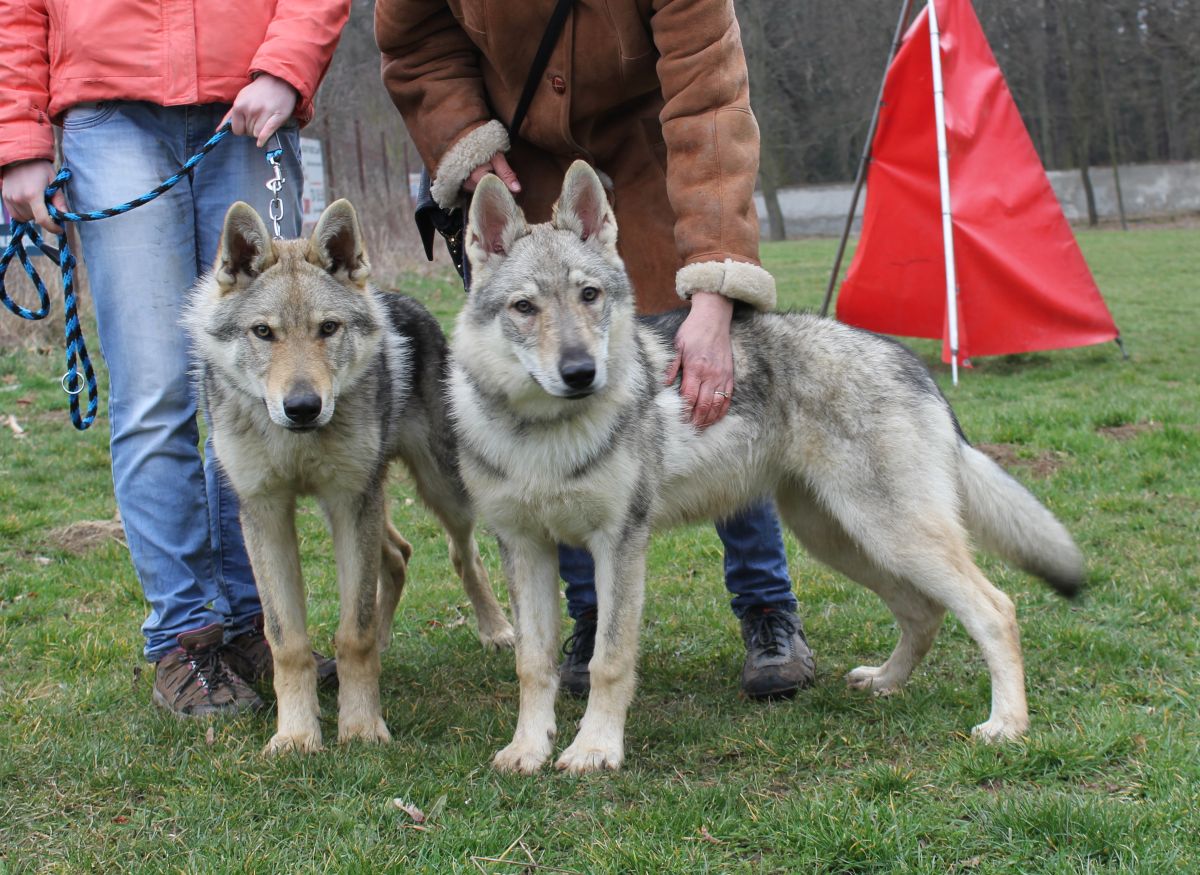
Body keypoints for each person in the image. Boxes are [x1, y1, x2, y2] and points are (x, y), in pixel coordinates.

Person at [377, 0, 815, 698]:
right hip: (517, 169)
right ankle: (587, 615)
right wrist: (462, 133)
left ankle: (767, 608)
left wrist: (713, 287)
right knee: (547, 417)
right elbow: (412, 41)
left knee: (709, 386)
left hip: (659, 168)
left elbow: (710, 100)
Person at [0, 0, 351, 717]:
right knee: (155, 389)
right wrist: (18, 137)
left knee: (257, 387)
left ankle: (257, 621)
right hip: (108, 113)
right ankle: (186, 634)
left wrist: (286, 68)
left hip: (248, 102)